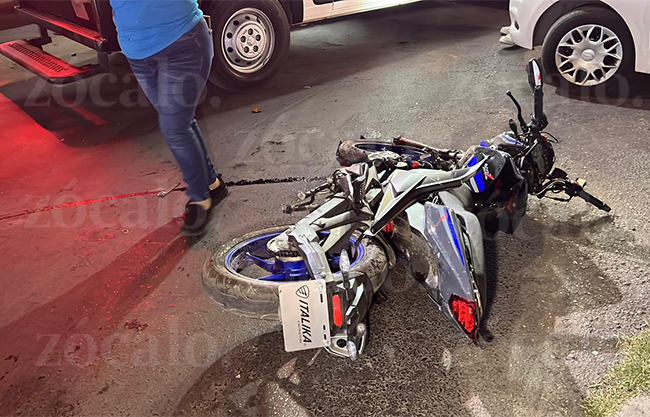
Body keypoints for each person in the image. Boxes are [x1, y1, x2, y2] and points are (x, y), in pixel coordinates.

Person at [109, 0, 226, 235]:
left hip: (182, 43)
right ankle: (213, 183)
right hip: (137, 53)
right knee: (181, 121)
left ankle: (200, 198)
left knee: (175, 127)